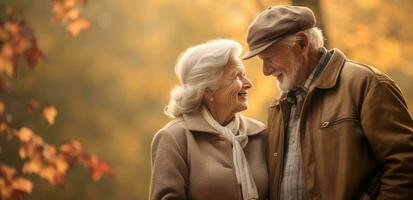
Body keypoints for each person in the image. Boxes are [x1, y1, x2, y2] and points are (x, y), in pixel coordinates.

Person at [242, 5, 413, 200]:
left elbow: (404, 166)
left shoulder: (367, 84)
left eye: (269, 58)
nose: (265, 71)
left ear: (301, 43)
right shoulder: (278, 107)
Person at [149, 39, 268, 200]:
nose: (248, 83)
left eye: (244, 75)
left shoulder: (261, 134)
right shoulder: (174, 138)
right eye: (236, 76)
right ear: (208, 90)